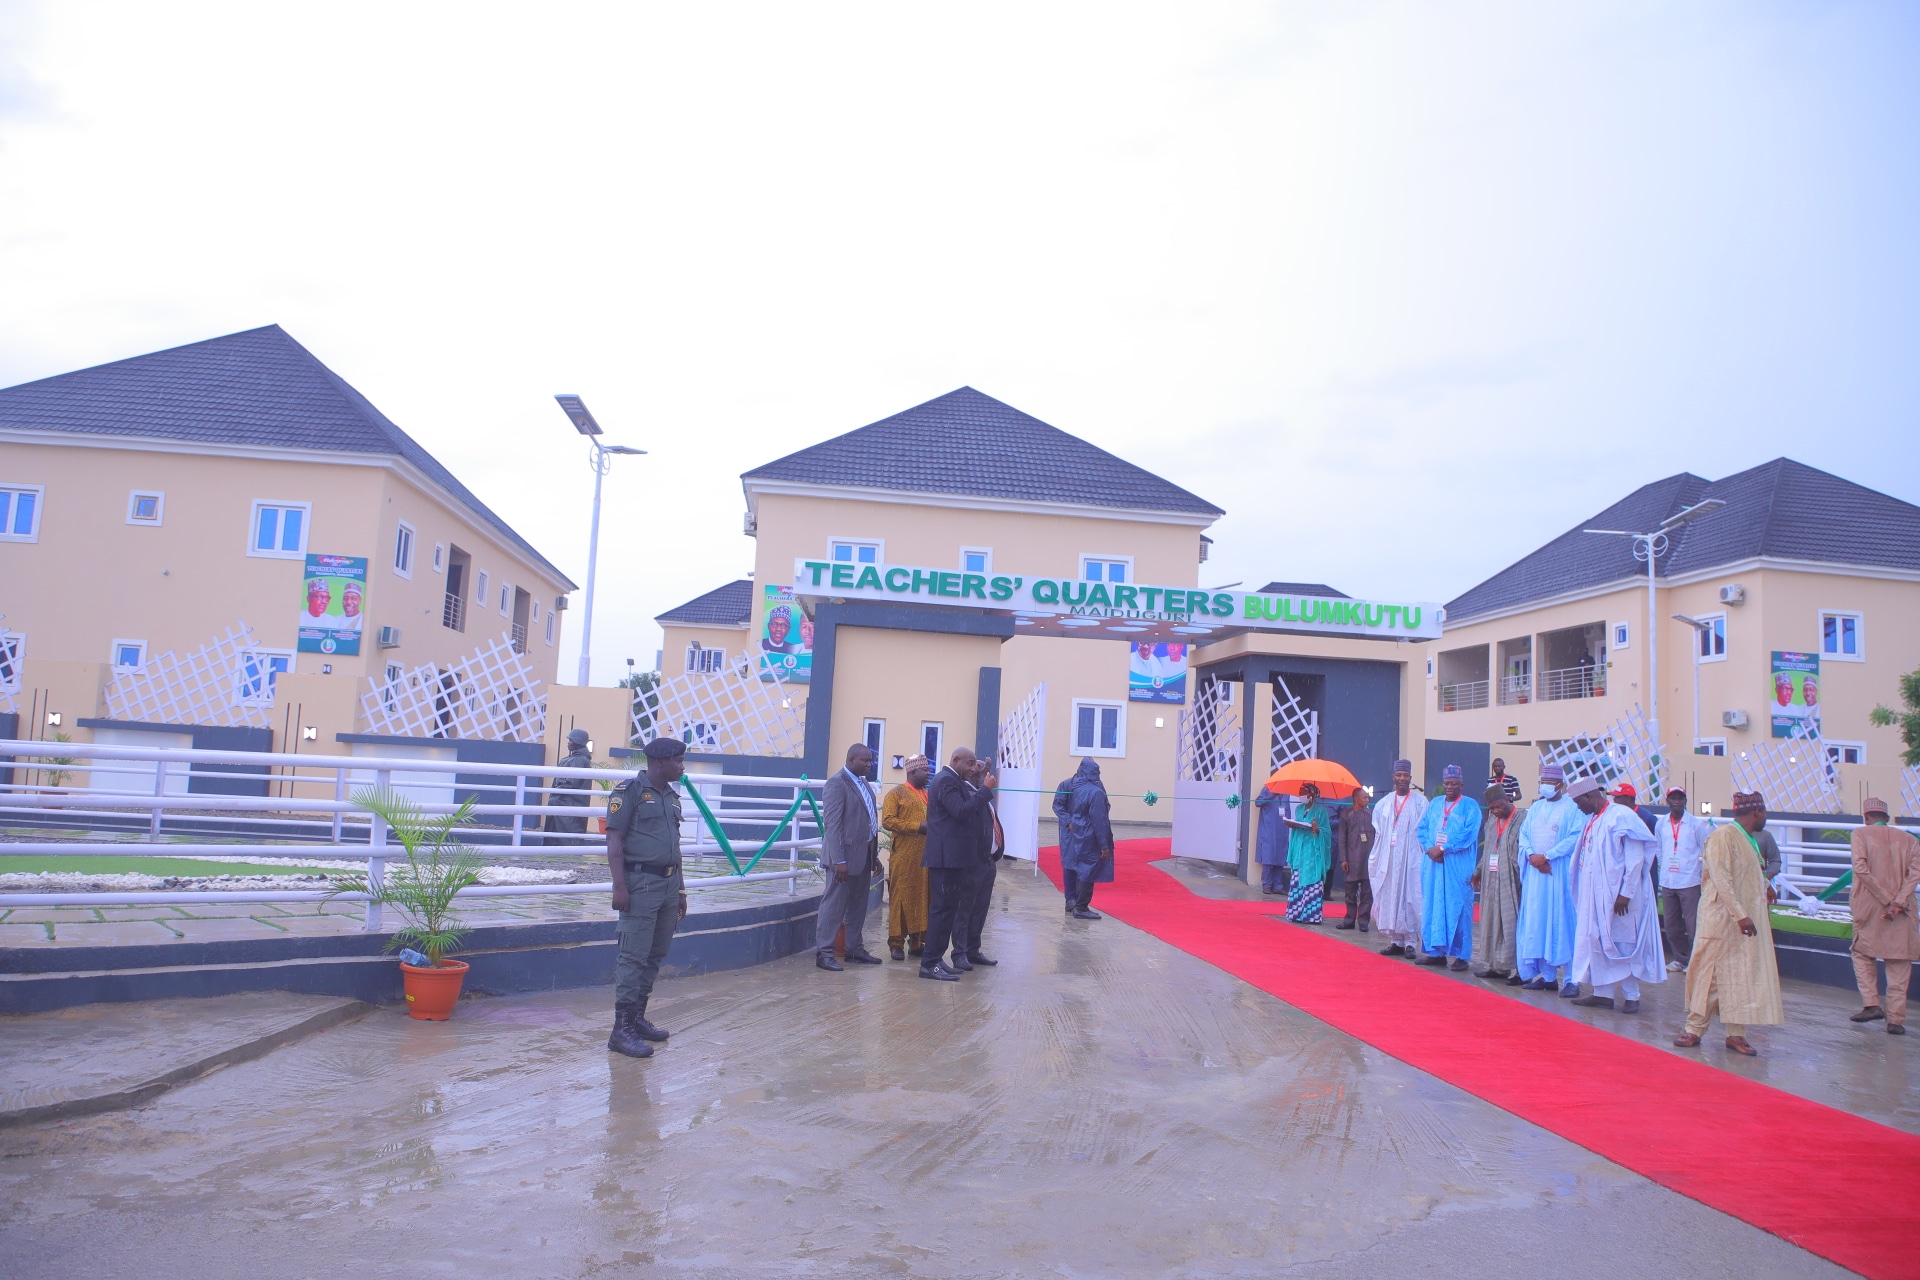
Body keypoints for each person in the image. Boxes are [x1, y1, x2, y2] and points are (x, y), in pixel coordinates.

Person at [1674, 791, 1784, 1056]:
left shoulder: (1748, 840)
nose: (1766, 817)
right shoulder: (1724, 836)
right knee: (1709, 975)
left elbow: (1745, 875)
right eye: (1765, 812)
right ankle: (1694, 1029)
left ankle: (1736, 1034)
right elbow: (1721, 879)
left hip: (1740, 922)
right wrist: (1740, 914)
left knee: (1740, 976)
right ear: (1757, 813)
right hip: (1722, 919)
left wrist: (1765, 886)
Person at [604, 737, 690, 1059]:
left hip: (668, 885)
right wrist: (619, 886)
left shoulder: (671, 797)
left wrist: (680, 888)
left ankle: (637, 1020)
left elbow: (675, 847)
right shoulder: (630, 793)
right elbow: (614, 841)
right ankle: (620, 1030)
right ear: (659, 763)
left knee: (655, 955)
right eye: (678, 761)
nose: (682, 766)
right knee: (633, 957)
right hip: (639, 884)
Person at [1567, 777, 1664, 1013]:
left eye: (1579, 801)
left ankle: (1632, 997)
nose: (1577, 806)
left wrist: (1626, 893)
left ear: (1590, 796)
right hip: (1595, 895)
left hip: (1620, 898)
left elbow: (1635, 857)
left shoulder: (1621, 816)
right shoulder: (1593, 819)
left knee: (1623, 942)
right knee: (1596, 939)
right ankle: (1603, 994)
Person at [1846, 797, 1920, 1034]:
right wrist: (1897, 902)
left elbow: (1860, 869)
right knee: (1899, 960)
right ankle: (1896, 1021)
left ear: (1867, 818)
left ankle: (1871, 1004)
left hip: (1870, 907)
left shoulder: (1860, 834)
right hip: (1903, 909)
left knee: (1861, 952)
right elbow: (1915, 874)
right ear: (1887, 819)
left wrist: (1886, 899)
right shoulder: (1909, 839)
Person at [921, 746, 995, 980]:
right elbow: (962, 811)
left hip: (954, 859)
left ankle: (936, 961)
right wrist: (986, 790)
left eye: (976, 764)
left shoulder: (953, 780)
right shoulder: (946, 781)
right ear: (956, 760)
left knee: (947, 911)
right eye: (970, 764)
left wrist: (981, 781)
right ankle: (929, 964)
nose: (973, 768)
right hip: (945, 858)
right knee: (941, 912)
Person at [815, 743, 883, 972]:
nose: (869, 765)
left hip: (863, 856)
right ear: (851, 759)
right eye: (865, 761)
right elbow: (832, 826)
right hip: (842, 860)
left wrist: (874, 856)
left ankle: (854, 949)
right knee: (833, 906)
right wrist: (838, 861)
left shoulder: (864, 784)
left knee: (858, 905)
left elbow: (869, 823)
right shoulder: (836, 784)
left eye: (871, 761)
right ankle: (825, 953)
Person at [1516, 763, 1582, 996]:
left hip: (1558, 873)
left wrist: (1547, 857)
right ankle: (1549, 976)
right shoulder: (1535, 808)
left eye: (1550, 783)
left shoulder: (1573, 807)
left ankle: (1572, 980)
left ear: (1561, 785)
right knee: (1539, 922)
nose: (1545, 787)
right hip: (1536, 875)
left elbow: (1576, 836)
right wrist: (1532, 856)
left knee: (1563, 923)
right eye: (1542, 782)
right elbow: (1523, 835)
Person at [1414, 765, 1482, 969]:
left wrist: (1443, 848)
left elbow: (1468, 835)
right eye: (1446, 783)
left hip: (1456, 866)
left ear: (1462, 784)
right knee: (1433, 907)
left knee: (1459, 908)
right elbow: (1422, 828)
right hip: (1433, 865)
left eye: (1454, 783)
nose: (1450, 787)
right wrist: (1429, 848)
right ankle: (1436, 953)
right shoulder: (1435, 803)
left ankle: (1462, 956)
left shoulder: (1471, 806)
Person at [1371, 760, 1427, 957]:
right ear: (1393, 778)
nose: (1402, 778)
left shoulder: (1421, 802)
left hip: (1410, 858)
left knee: (1410, 897)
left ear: (1410, 778)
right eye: (1399, 775)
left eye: (1405, 775)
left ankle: (1411, 942)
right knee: (1391, 895)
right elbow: (1378, 833)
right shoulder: (1384, 803)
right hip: (1389, 857)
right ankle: (1396, 940)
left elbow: (1425, 832)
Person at [881, 755, 931, 961]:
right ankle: (896, 943)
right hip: (903, 855)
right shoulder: (896, 794)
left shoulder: (926, 794)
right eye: (925, 771)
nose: (928, 774)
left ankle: (917, 943)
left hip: (926, 856)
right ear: (912, 772)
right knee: (901, 897)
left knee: (922, 896)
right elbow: (888, 821)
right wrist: (918, 827)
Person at [1473, 784, 1524, 982]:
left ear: (1507, 800)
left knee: (1512, 924)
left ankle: (1519, 970)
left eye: (1498, 807)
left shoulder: (1523, 818)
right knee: (1492, 922)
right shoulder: (1493, 821)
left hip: (1512, 880)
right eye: (1491, 808)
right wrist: (1478, 871)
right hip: (1491, 878)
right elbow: (1488, 851)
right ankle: (1496, 966)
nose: (1495, 811)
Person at [1657, 787, 1709, 971]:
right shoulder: (1661, 823)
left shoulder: (1695, 824)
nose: (1677, 801)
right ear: (1667, 801)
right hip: (1668, 880)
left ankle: (1696, 961)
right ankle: (1680, 959)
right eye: (1673, 798)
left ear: (1685, 800)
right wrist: (1664, 866)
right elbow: (1659, 847)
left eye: (1680, 798)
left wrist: (1701, 871)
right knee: (1671, 924)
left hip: (1689, 881)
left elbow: (1707, 846)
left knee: (1693, 923)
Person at [1056, 758, 1114, 920]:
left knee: (1082, 864)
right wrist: (1068, 821)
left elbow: (1104, 806)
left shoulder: (1097, 786)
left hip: (1086, 831)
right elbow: (1058, 805)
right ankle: (1072, 900)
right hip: (1071, 833)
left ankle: (1078, 902)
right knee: (1070, 863)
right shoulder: (1066, 785)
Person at [960, 755, 1003, 966]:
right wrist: (985, 789)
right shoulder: (966, 793)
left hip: (988, 862)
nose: (982, 776)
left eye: (983, 772)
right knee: (966, 909)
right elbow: (969, 810)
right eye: (977, 771)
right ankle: (960, 953)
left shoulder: (980, 794)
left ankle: (973, 950)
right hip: (973, 862)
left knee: (980, 910)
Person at [1284, 783, 1333, 924]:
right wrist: (1292, 825)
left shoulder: (1321, 812)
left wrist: (1318, 830)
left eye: (1303, 792)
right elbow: (1297, 824)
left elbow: (1327, 832)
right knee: (1297, 881)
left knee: (1312, 882)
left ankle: (1312, 915)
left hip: (1312, 851)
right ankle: (1296, 913)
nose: (1300, 795)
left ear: (1311, 795)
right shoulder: (1299, 809)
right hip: (1299, 849)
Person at [1336, 787, 1375, 931]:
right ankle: (1349, 920)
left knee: (1367, 893)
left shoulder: (1371, 815)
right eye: (1364, 797)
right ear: (1356, 799)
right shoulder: (1346, 815)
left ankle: (1363, 922)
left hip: (1368, 860)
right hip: (1351, 860)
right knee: (1350, 893)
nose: (1367, 800)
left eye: (1367, 797)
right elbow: (1342, 839)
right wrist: (1343, 859)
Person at [544, 727, 594, 838]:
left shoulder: (580, 760)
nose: (569, 743)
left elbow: (572, 783)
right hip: (562, 804)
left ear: (578, 742)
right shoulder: (570, 759)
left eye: (571, 740)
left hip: (568, 806)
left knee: (562, 840)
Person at [1253, 786, 1292, 895]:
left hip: (1282, 830)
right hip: (1269, 829)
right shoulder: (1267, 789)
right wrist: (1272, 794)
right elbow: (1258, 802)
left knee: (1280, 857)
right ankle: (1266, 885)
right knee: (1268, 857)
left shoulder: (1287, 791)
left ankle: (1277, 886)